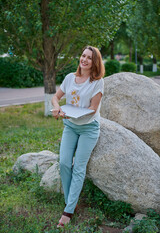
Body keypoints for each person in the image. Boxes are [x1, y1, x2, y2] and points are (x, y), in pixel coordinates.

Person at [51, 46, 105, 228]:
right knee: (65, 163)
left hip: (89, 128)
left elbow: (92, 110)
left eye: (89, 58)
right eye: (83, 55)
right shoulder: (69, 78)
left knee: (79, 167)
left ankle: (68, 211)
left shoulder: (97, 82)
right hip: (70, 126)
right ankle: (70, 202)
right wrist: (57, 108)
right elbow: (55, 98)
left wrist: (71, 114)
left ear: (94, 62)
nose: (85, 59)